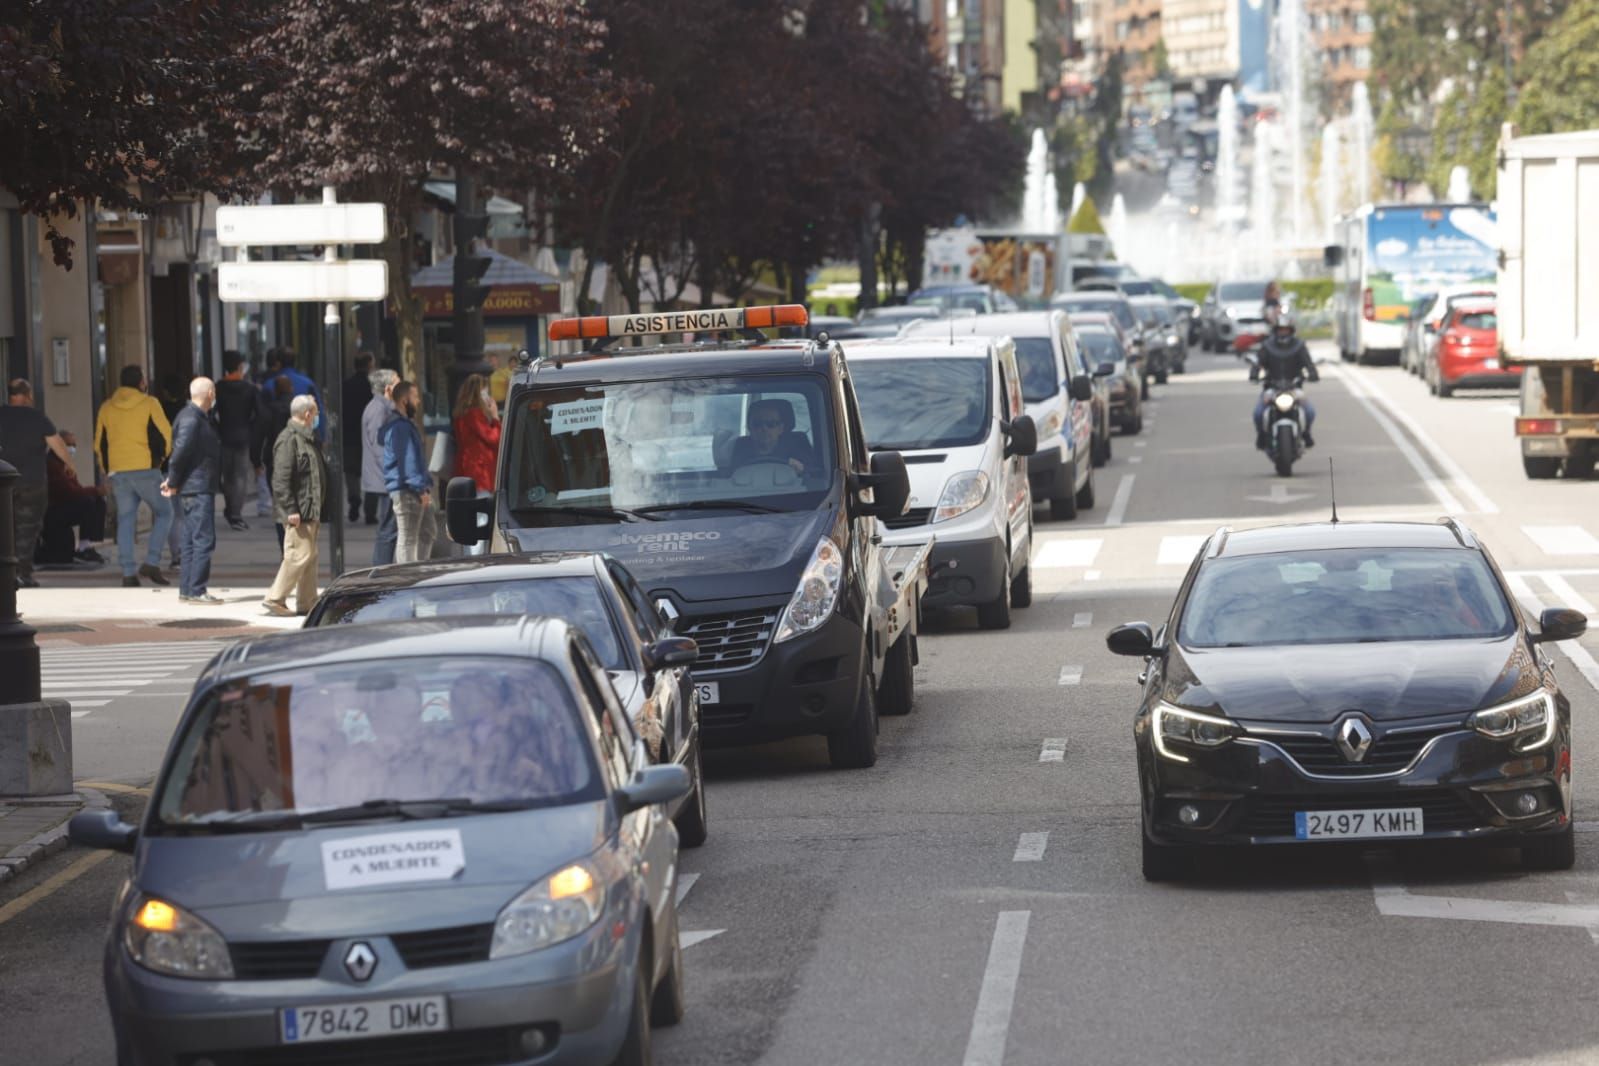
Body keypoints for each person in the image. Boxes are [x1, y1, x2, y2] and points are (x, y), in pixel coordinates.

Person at [94, 365, 174, 587]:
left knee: (126, 520)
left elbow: (99, 441)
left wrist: (105, 468)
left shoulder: (107, 407)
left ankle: (128, 572)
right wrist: (161, 460)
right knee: (165, 512)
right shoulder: (150, 403)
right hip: (146, 468)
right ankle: (152, 561)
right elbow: (166, 435)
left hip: (119, 471)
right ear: (141, 382)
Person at [0, 379, 72, 587]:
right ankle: (22, 573)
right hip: (32, 482)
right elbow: (56, 443)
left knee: (5, 528)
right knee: (28, 529)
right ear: (28, 395)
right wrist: (70, 464)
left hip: (3, 482)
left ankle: (6, 574)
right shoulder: (37, 417)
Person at [263, 394, 330, 617]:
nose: (318, 417)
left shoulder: (308, 438)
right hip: (298, 510)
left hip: (310, 509)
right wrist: (290, 509)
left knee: (309, 555)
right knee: (298, 555)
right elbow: (280, 479)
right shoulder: (288, 440)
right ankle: (275, 598)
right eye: (316, 413)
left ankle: (307, 601)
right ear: (308, 414)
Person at [162, 377, 222, 604]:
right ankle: (196, 589)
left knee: (190, 538)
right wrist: (172, 480)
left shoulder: (195, 417)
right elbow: (180, 453)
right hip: (196, 487)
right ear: (209, 393)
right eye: (213, 391)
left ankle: (188, 589)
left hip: (194, 485)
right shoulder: (191, 418)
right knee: (202, 539)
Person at [381, 380, 435, 564]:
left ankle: (419, 571)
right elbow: (407, 461)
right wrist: (420, 489)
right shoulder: (399, 427)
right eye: (415, 397)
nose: (418, 401)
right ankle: (409, 578)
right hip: (408, 490)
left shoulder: (401, 424)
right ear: (405, 400)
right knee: (408, 538)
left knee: (428, 531)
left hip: (413, 487)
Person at [1250, 313, 1319, 449]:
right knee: (1258, 413)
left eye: (1286, 329)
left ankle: (1306, 433)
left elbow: (1309, 363)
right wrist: (1254, 374)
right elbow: (1257, 363)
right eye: (1281, 329)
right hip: (1272, 388)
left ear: (1291, 330)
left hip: (1294, 388)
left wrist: (1313, 374)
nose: (1283, 332)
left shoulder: (1299, 346)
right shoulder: (1267, 346)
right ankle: (1261, 436)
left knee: (1309, 411)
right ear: (1275, 331)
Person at [214, 350, 266, 532]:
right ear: (240, 367)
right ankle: (235, 513)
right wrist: (251, 429)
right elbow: (260, 415)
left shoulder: (218, 387)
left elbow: (211, 413)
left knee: (227, 476)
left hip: (224, 435)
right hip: (243, 435)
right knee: (240, 476)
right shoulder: (250, 389)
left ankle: (231, 509)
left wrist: (216, 428)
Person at [38, 431, 108, 565]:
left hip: (64, 507)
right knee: (88, 501)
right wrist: (95, 490)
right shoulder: (52, 464)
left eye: (74, 444)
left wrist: (95, 493)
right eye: (68, 444)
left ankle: (85, 545)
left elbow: (76, 489)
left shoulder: (65, 463)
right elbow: (68, 492)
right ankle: (83, 549)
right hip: (52, 512)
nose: (72, 448)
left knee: (98, 501)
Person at [361, 368, 400, 559]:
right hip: (385, 479)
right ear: (388, 388)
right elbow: (380, 447)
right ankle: (381, 568)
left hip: (385, 477)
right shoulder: (378, 409)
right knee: (388, 529)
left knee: (390, 528)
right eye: (397, 382)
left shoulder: (383, 407)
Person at [723, 398, 816, 474]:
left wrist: (802, 470)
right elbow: (730, 478)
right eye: (757, 424)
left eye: (771, 424)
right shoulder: (741, 447)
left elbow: (815, 478)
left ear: (781, 428)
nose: (764, 428)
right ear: (749, 428)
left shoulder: (798, 445)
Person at [259, 376, 295, 552]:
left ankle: (284, 545)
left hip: (275, 461)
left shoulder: (269, 410)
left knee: (280, 505)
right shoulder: (298, 409)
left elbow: (259, 435)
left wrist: (256, 459)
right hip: (296, 461)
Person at [341, 352, 376, 522]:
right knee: (371, 472)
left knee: (351, 471)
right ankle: (370, 511)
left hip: (349, 434)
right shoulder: (372, 387)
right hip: (369, 435)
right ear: (369, 365)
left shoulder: (346, 385)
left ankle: (354, 498)